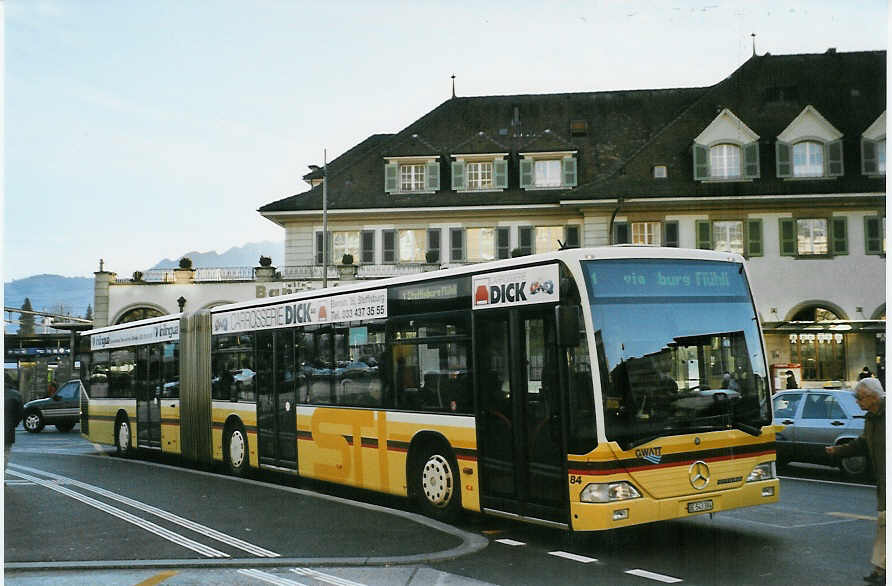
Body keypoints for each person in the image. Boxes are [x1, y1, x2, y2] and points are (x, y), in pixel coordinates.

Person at [826, 377, 885, 584]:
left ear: (872, 397)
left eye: (859, 398)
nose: (857, 402)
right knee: (884, 524)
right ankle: (880, 568)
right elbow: (862, 443)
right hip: (884, 482)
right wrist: (838, 450)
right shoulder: (871, 418)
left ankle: (881, 569)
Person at [5, 382, 23, 471]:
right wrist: (13, 424)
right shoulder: (16, 395)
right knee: (5, 453)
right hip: (8, 429)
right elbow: (20, 414)